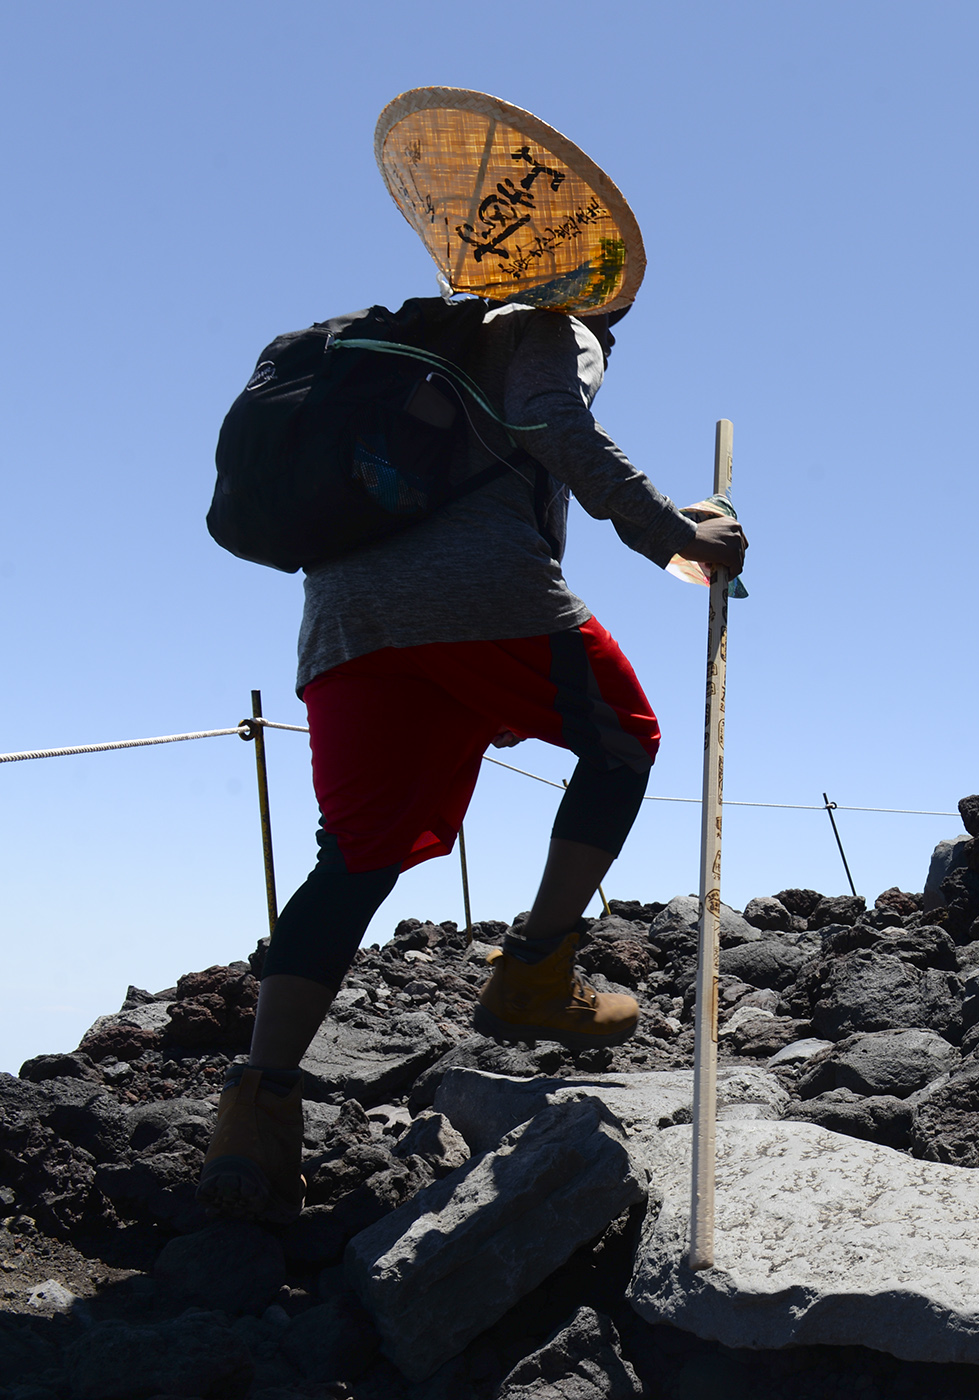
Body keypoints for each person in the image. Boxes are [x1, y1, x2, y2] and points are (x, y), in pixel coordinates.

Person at [197, 293, 744, 1225]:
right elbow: (549, 418)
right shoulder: (548, 325)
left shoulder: (410, 343)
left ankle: (258, 1112)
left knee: (358, 853)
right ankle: (534, 973)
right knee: (623, 740)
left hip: (344, 623)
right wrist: (679, 536)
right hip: (484, 594)